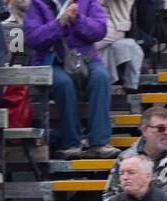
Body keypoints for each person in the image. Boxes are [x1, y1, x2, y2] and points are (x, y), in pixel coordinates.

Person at [23, 0, 117, 160]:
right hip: (50, 60)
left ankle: (100, 142)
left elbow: (100, 30)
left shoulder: (88, 2)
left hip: (85, 59)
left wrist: (77, 19)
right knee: (63, 83)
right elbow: (34, 39)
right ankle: (71, 143)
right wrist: (60, 23)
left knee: (101, 77)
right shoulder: (37, 4)